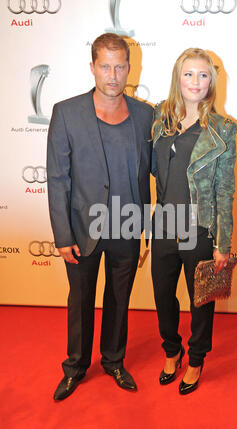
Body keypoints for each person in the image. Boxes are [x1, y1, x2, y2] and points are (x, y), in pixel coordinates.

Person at [47, 33, 153, 400]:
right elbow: (57, 177)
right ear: (92, 67)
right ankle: (75, 366)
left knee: (119, 298)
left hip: (127, 225)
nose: (112, 74)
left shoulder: (145, 115)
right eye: (105, 66)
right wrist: (62, 235)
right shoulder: (66, 112)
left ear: (129, 68)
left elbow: (154, 172)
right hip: (81, 228)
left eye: (119, 66)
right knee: (80, 300)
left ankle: (113, 360)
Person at [151, 48, 237, 395]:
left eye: (203, 75)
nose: (195, 81)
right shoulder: (159, 118)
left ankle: (197, 358)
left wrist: (223, 246)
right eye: (189, 74)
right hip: (163, 225)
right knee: (162, 296)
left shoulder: (223, 130)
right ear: (178, 78)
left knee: (200, 300)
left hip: (198, 227)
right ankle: (171, 350)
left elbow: (225, 189)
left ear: (211, 82)